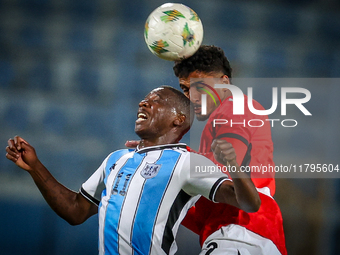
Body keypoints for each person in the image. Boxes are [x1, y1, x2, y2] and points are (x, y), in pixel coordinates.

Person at [6, 85, 260, 255]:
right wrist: (36, 168)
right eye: (144, 100)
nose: (143, 103)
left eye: (156, 101)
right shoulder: (115, 159)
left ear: (178, 119)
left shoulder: (186, 162)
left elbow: (248, 203)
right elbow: (75, 210)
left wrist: (235, 168)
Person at [172, 45, 287, 254]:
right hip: (251, 229)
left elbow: (220, 172)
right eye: (186, 89)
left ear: (225, 82)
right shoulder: (222, 119)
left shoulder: (234, 108)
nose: (192, 97)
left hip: (239, 227)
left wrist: (170, 156)